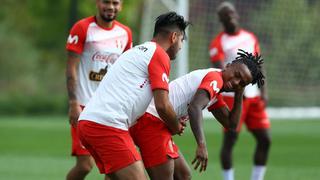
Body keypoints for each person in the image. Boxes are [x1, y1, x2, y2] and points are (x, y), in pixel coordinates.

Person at [77, 12, 190, 180]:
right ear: (174, 37)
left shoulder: (137, 51)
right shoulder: (159, 55)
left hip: (90, 122)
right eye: (182, 40)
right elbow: (162, 105)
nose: (181, 47)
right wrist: (175, 126)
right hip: (107, 125)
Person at [130, 49, 265, 180]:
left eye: (242, 83)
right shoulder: (215, 79)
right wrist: (201, 145)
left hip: (153, 123)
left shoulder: (215, 91)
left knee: (183, 175)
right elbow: (195, 108)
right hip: (149, 122)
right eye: (236, 75)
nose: (236, 82)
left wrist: (239, 93)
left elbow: (231, 124)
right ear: (228, 66)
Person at [65, 0, 132, 179]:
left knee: (114, 167)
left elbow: (125, 72)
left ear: (121, 5)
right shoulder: (82, 28)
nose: (110, 7)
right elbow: (71, 68)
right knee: (85, 165)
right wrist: (73, 103)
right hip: (84, 107)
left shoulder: (125, 33)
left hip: (110, 108)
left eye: (115, 3)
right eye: (106, 2)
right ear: (97, 3)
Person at [209, 2, 271, 180]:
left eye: (232, 13)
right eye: (226, 15)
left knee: (265, 139)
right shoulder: (218, 42)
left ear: (237, 14)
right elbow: (222, 71)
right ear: (221, 20)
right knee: (230, 141)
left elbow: (259, 65)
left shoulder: (250, 37)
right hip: (232, 98)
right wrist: (238, 91)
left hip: (254, 97)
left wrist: (263, 91)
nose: (231, 17)